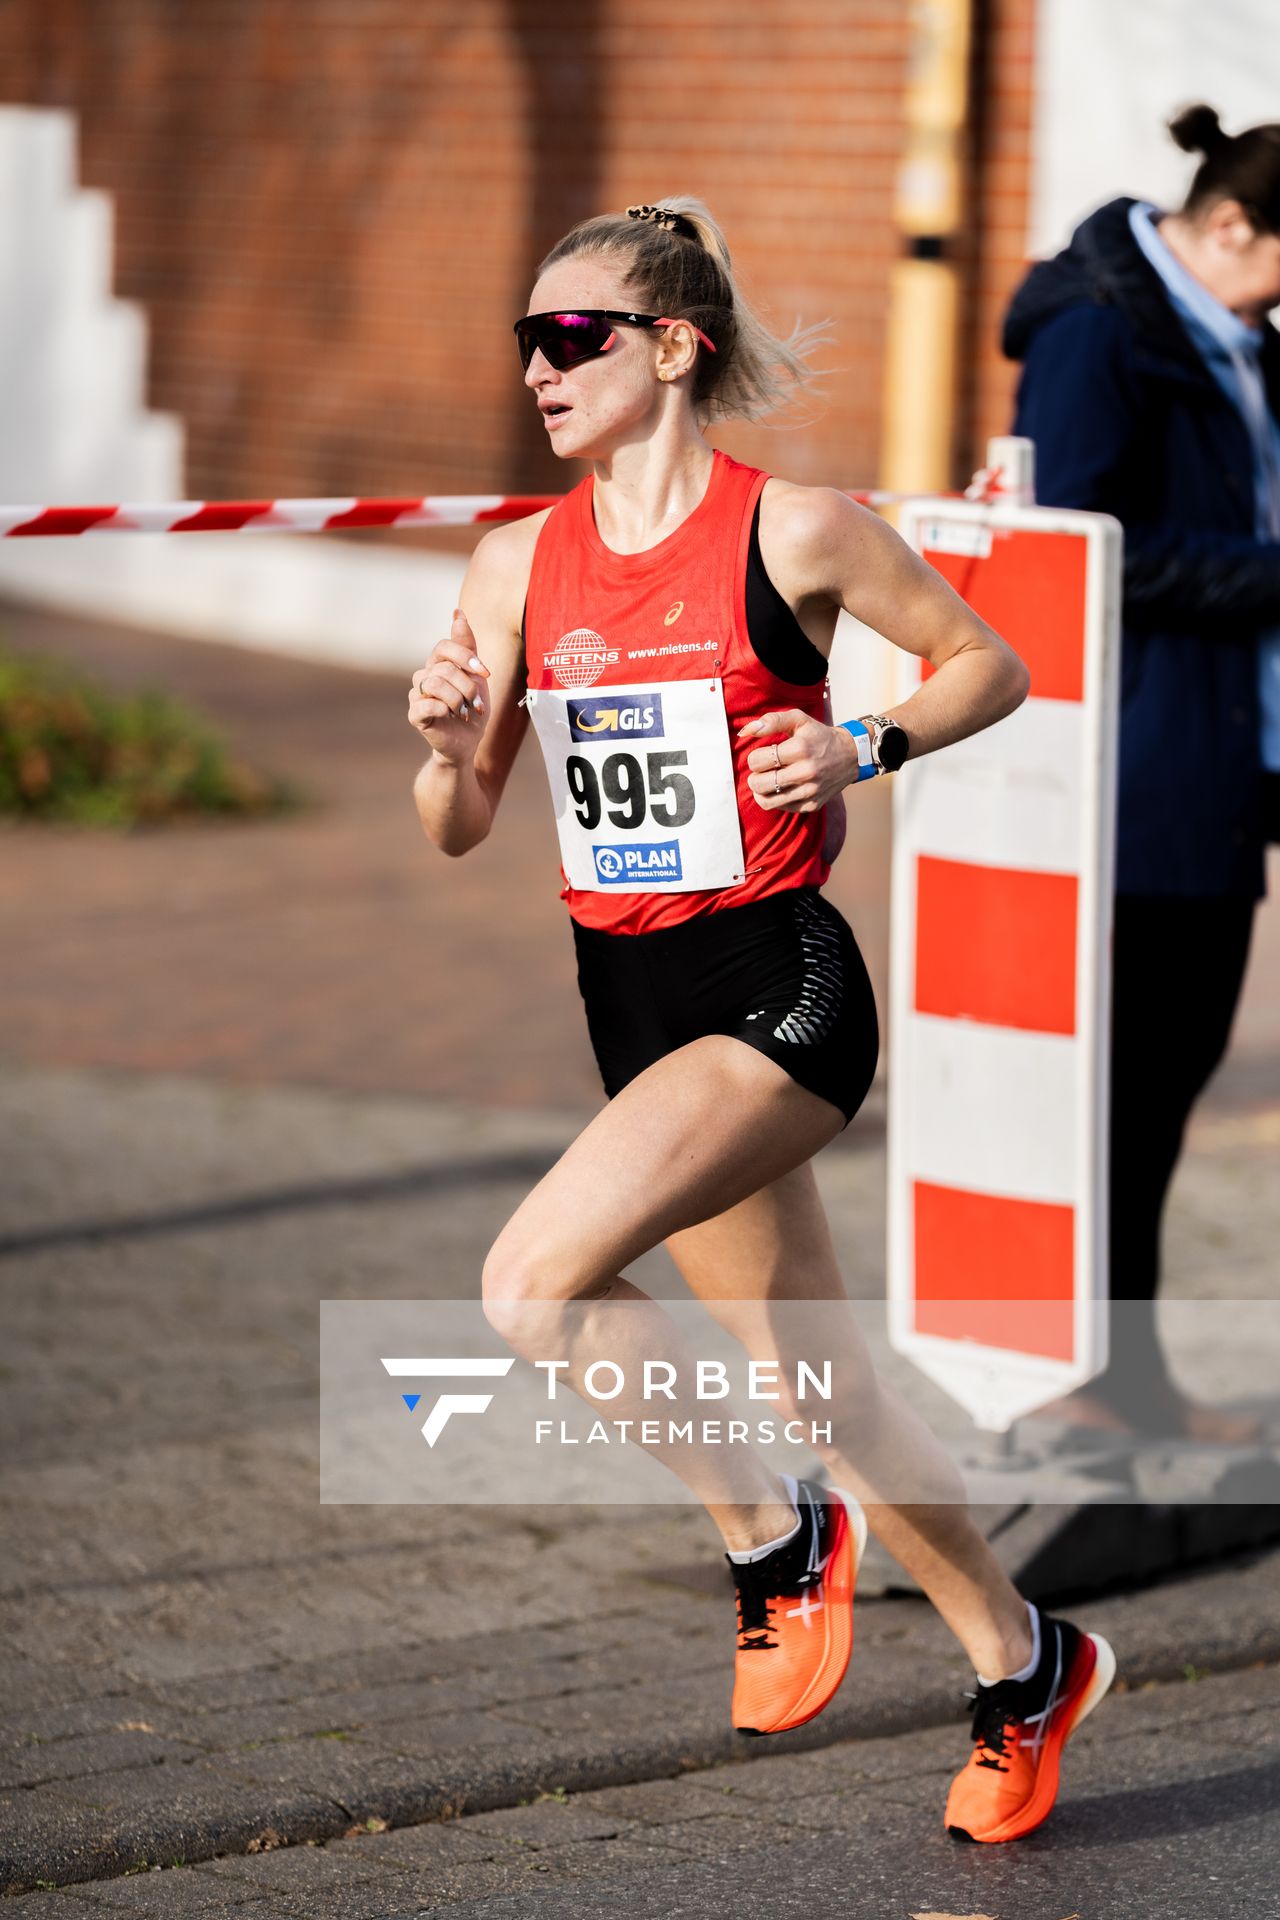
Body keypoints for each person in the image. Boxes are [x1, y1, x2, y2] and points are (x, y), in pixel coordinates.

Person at [409, 197, 1114, 1842]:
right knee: (830, 1392)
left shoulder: (793, 529)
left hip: (778, 986)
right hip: (636, 1008)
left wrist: (861, 747)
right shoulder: (515, 563)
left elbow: (987, 663)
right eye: (525, 340)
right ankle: (1027, 1664)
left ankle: (775, 1538)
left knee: (528, 1287)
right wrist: (449, 741)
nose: (537, 367)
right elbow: (456, 820)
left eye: (569, 336)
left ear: (672, 347)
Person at [1004, 106, 1280, 1444]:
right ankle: (1077, 1384)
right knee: (1110, 1097)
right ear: (1230, 226)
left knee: (1162, 1095)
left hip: (1226, 769)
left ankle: (1138, 1382)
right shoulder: (1101, 333)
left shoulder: (1240, 343)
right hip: (1134, 775)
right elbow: (1070, 554)